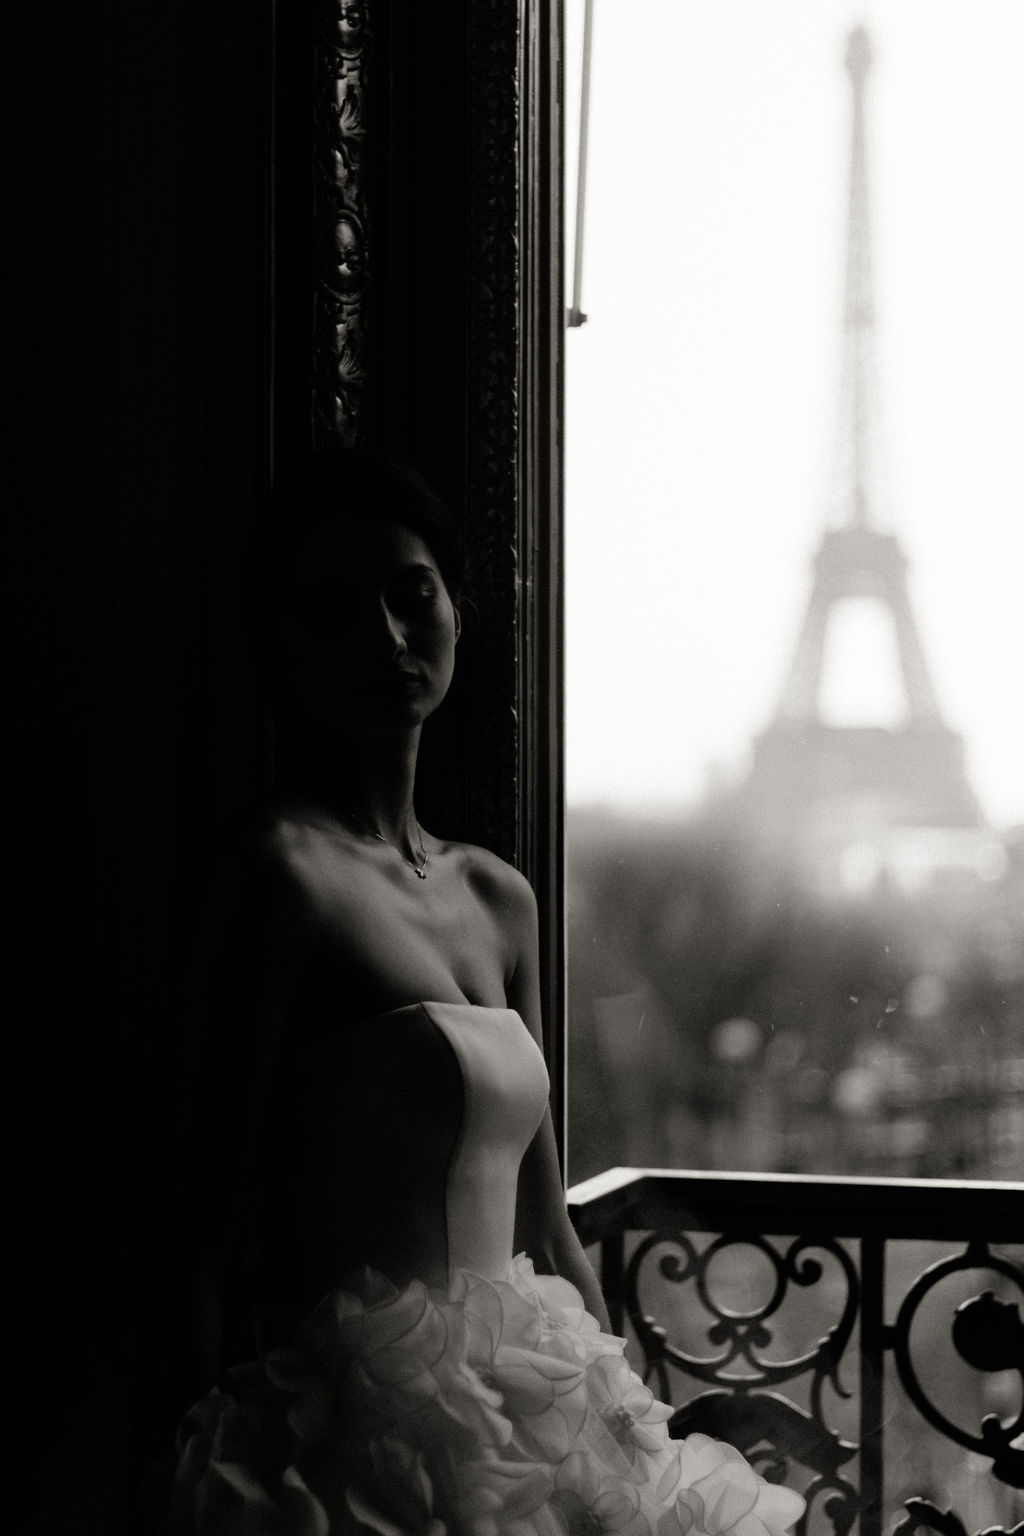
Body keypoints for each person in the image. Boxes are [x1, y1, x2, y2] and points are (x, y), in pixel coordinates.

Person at [168, 449, 805, 1536]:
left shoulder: (499, 896)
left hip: (536, 1391)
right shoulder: (280, 877)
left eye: (411, 594)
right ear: (282, 652)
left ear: (459, 610)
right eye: (335, 610)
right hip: (356, 1427)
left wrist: (626, 1424)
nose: (387, 636)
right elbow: (203, 1221)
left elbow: (545, 1222)